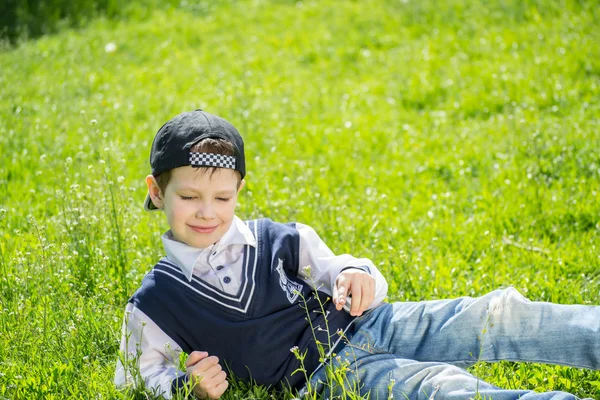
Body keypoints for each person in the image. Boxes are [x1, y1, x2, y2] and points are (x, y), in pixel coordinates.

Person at [115, 109, 600, 400]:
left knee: (494, 317)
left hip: (370, 323)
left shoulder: (281, 239)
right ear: (157, 192)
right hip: (330, 373)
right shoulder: (156, 301)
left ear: (239, 189)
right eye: (189, 197)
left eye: (222, 198)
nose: (207, 212)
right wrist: (188, 388)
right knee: (438, 388)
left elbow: (341, 269)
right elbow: (137, 377)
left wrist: (357, 273)